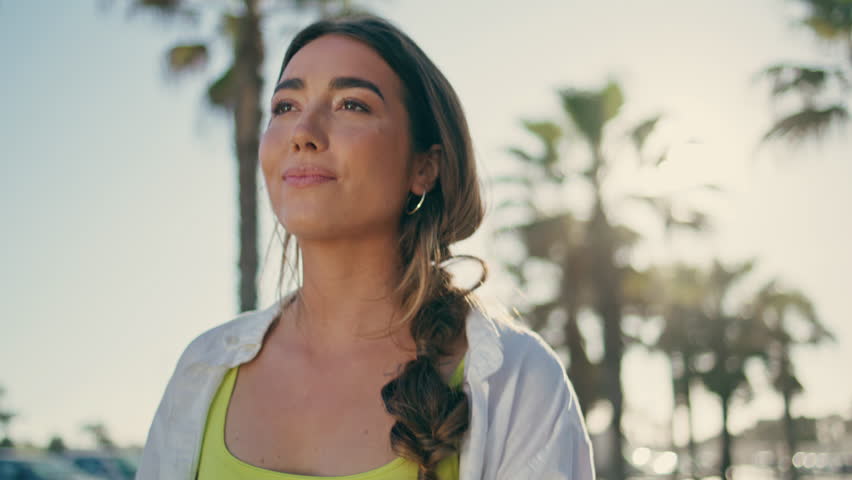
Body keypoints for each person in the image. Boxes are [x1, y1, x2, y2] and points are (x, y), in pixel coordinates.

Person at [135, 14, 595, 480]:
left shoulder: (519, 381)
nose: (303, 132)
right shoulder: (203, 372)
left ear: (424, 168)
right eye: (285, 106)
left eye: (351, 105)